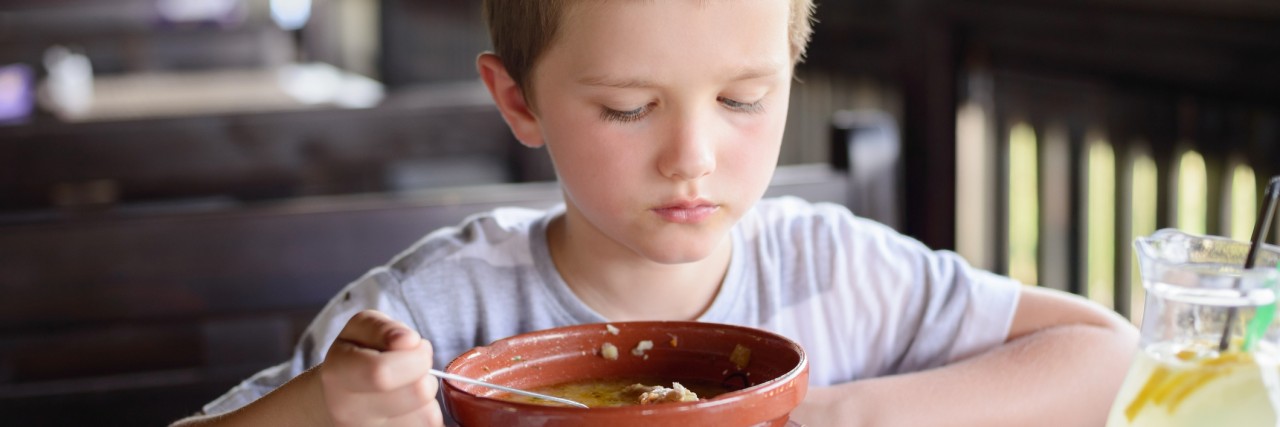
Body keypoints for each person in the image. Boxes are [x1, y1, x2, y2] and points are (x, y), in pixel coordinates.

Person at [172, 0, 1137, 425]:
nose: (693, 157)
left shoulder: (840, 272)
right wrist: (323, 409)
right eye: (630, 109)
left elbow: (1107, 355)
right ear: (520, 101)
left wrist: (850, 414)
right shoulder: (439, 312)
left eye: (745, 98)